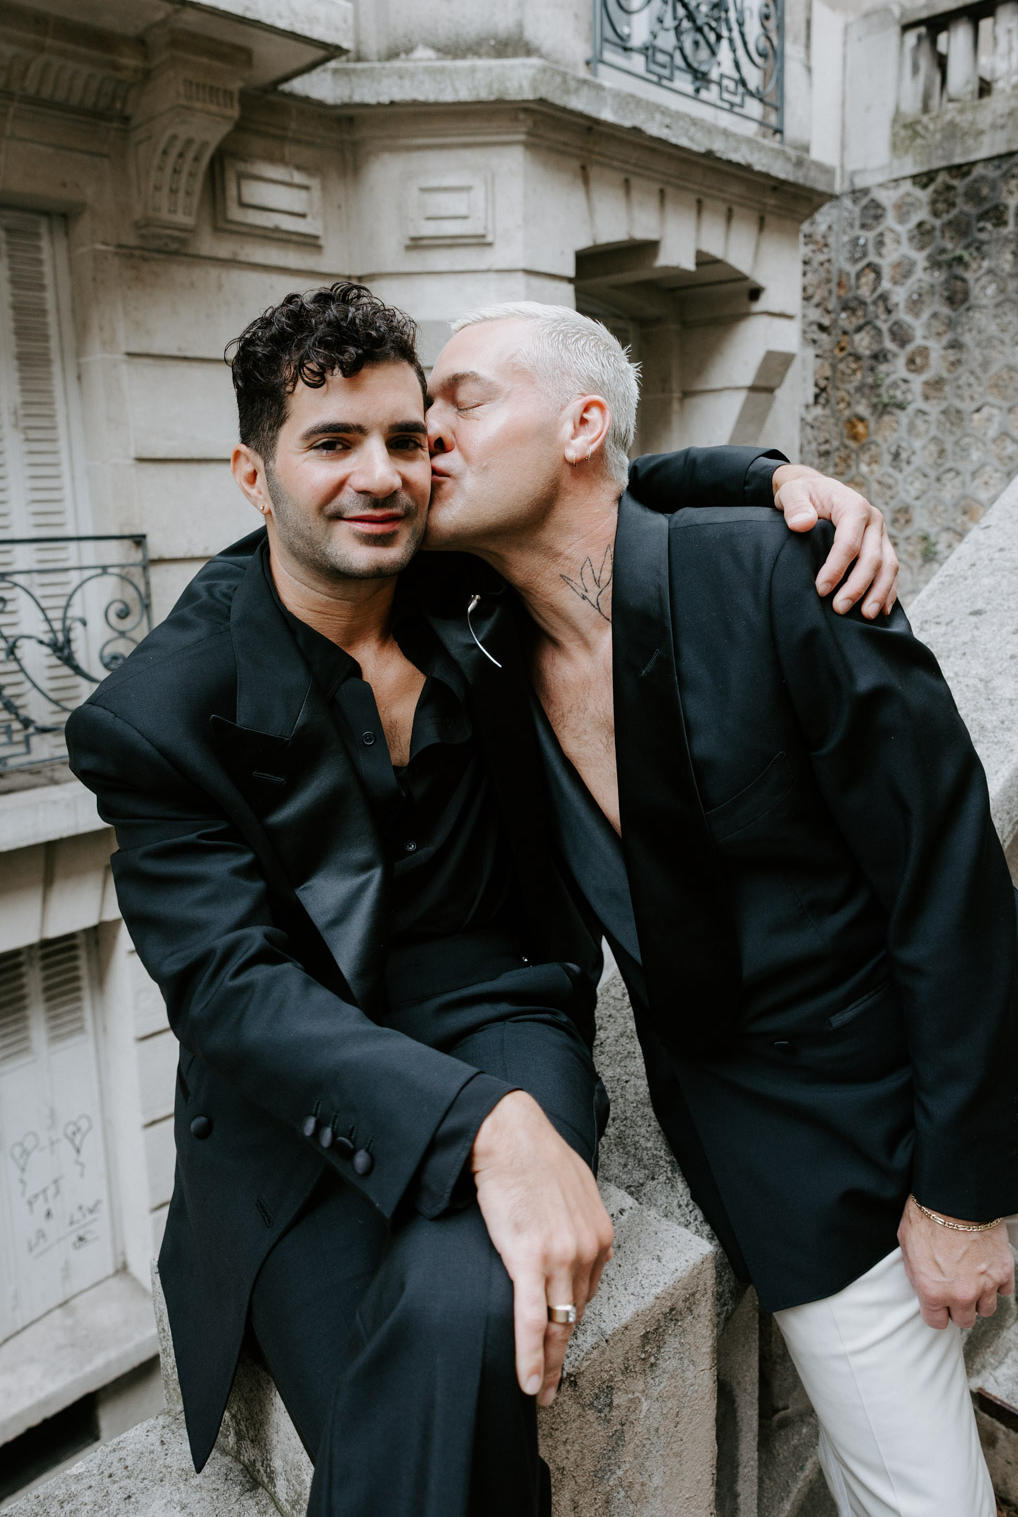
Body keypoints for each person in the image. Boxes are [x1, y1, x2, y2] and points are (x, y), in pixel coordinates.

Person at [64, 282, 893, 1517]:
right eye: (332, 444)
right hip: (292, 1107)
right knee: (436, 1376)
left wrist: (770, 475)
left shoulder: (461, 580)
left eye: (407, 439)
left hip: (502, 1011)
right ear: (253, 474)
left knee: (465, 1304)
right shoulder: (155, 715)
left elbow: (599, 482)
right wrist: (488, 1132)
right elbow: (235, 995)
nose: (381, 476)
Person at [420, 301, 1018, 1517]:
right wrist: (762, 467)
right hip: (777, 1147)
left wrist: (962, 1186)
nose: (427, 431)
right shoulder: (477, 655)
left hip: (1002, 1068)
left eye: (462, 399)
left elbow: (944, 874)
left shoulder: (777, 566)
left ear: (580, 422)